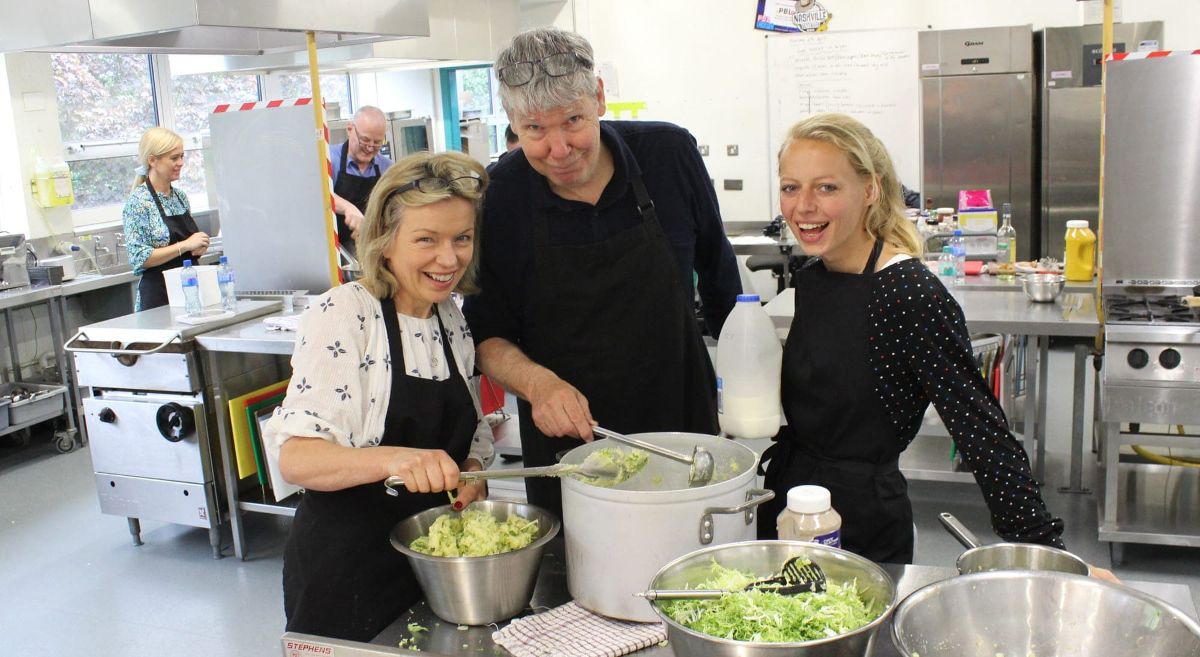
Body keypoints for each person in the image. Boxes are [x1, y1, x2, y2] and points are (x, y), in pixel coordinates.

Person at [758, 112, 1064, 563]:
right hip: (791, 506)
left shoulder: (907, 292)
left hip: (861, 526)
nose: (804, 206)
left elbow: (980, 429)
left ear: (869, 190)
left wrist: (1042, 550)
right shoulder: (813, 277)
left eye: (826, 187)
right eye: (790, 187)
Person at [462, 27, 742, 517]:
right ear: (511, 122)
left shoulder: (669, 155)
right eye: (534, 130)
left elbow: (722, 283)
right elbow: (487, 336)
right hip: (569, 451)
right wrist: (536, 385)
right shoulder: (500, 196)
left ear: (599, 98)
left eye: (572, 120)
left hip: (684, 432)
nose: (558, 148)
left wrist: (744, 395)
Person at [265, 151, 494, 641]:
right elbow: (298, 459)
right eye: (426, 240)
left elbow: (471, 433)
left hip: (434, 570)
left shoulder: (450, 319)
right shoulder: (344, 314)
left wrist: (471, 473)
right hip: (347, 571)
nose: (449, 258)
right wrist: (399, 460)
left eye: (462, 238)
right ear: (386, 241)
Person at [122, 127, 209, 311]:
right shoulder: (139, 202)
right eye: (174, 158)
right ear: (152, 160)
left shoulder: (180, 197)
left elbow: (188, 245)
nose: (181, 163)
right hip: (158, 298)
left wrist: (198, 247)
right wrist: (185, 245)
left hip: (188, 292)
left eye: (182, 156)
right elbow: (139, 257)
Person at [330, 106, 394, 256]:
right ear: (350, 129)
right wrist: (348, 208)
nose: (370, 148)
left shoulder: (387, 168)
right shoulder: (329, 158)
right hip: (331, 248)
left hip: (367, 247)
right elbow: (317, 194)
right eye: (364, 140)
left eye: (377, 142)